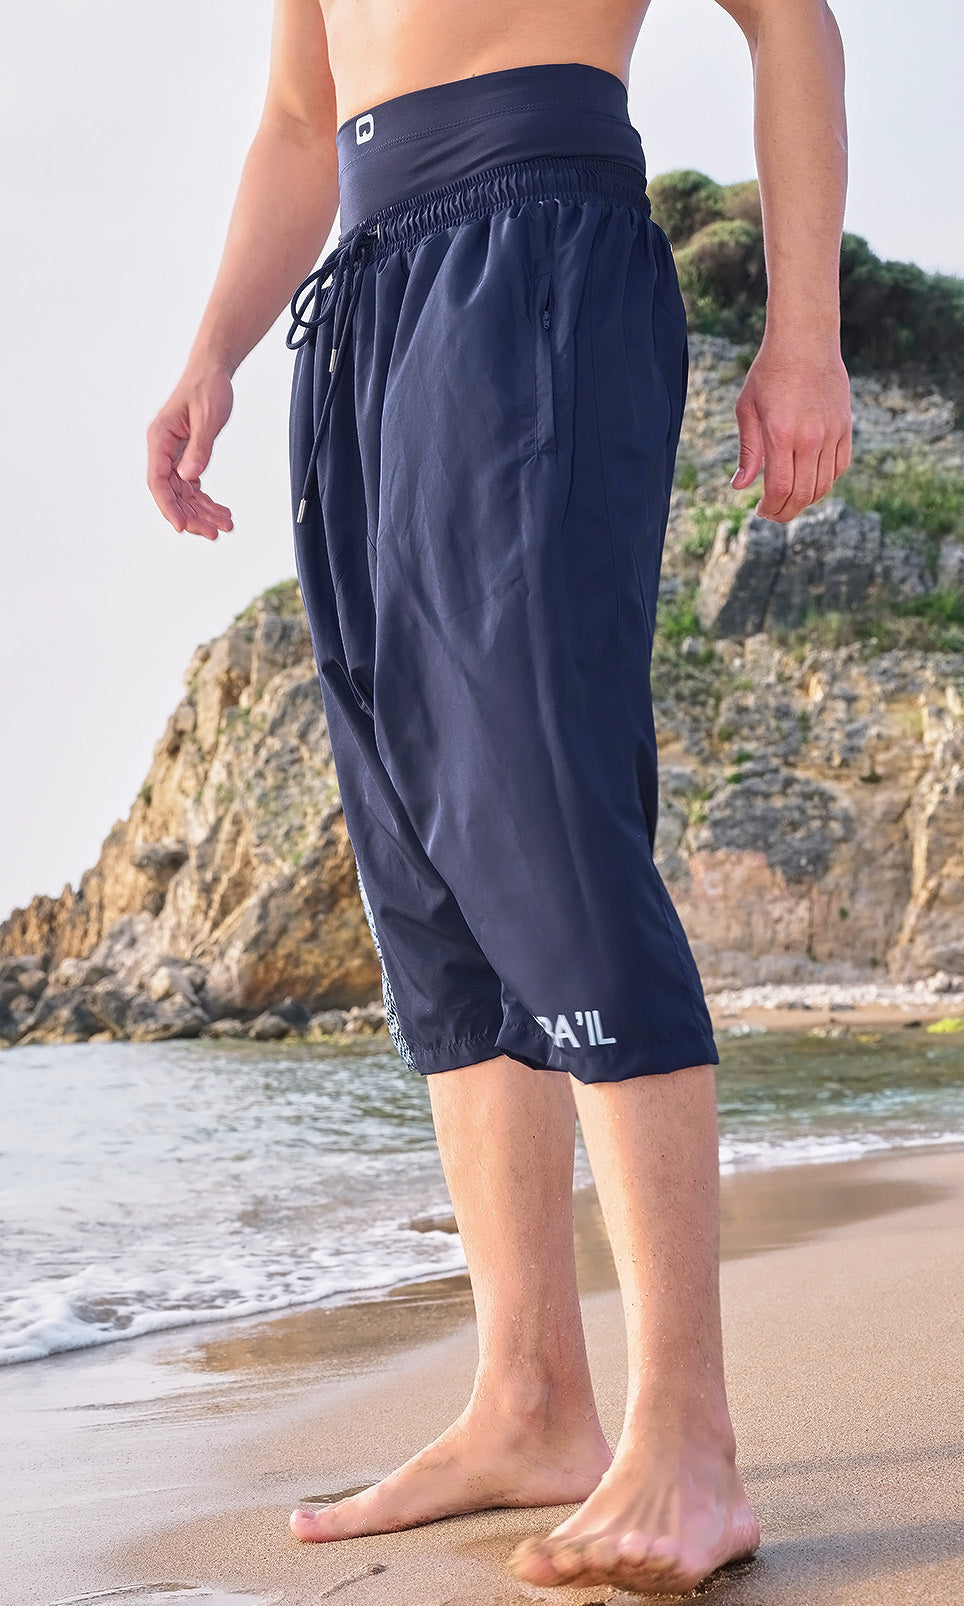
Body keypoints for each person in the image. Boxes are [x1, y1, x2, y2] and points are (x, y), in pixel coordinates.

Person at [147, 0, 851, 1594]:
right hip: (365, 295)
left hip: (536, 244)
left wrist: (803, 331)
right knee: (424, 853)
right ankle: (530, 1396)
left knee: (545, 811)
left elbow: (792, 21)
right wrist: (212, 351)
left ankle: (689, 1437)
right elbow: (297, 121)